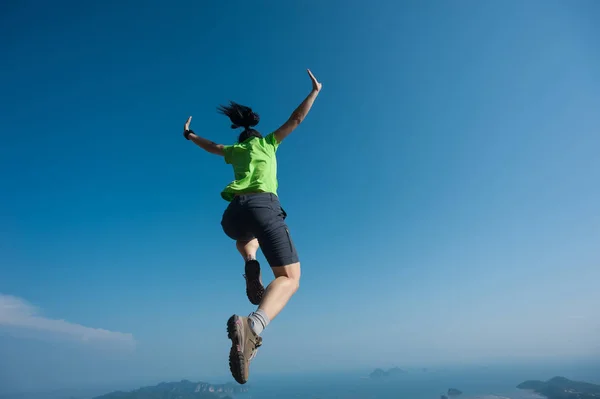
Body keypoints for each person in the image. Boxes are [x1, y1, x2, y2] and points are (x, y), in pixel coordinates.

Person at [181, 69, 322, 384]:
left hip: (233, 214)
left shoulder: (235, 151)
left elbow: (212, 146)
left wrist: (189, 135)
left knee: (245, 240)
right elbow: (295, 120)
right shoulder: (269, 143)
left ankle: (250, 263)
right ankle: (253, 327)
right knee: (290, 277)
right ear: (258, 137)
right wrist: (314, 92)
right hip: (263, 206)